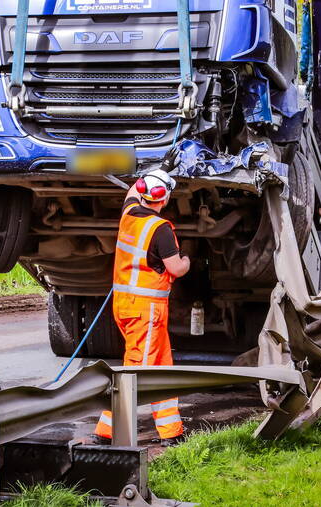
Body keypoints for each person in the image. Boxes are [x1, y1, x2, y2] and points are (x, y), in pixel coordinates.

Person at [93, 168, 191, 446]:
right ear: (165, 198)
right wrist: (187, 261)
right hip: (146, 310)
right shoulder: (160, 229)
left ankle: (171, 432)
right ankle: (106, 432)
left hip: (126, 306)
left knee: (160, 367)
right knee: (136, 371)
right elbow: (175, 268)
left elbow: (131, 193)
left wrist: (154, 171)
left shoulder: (129, 214)